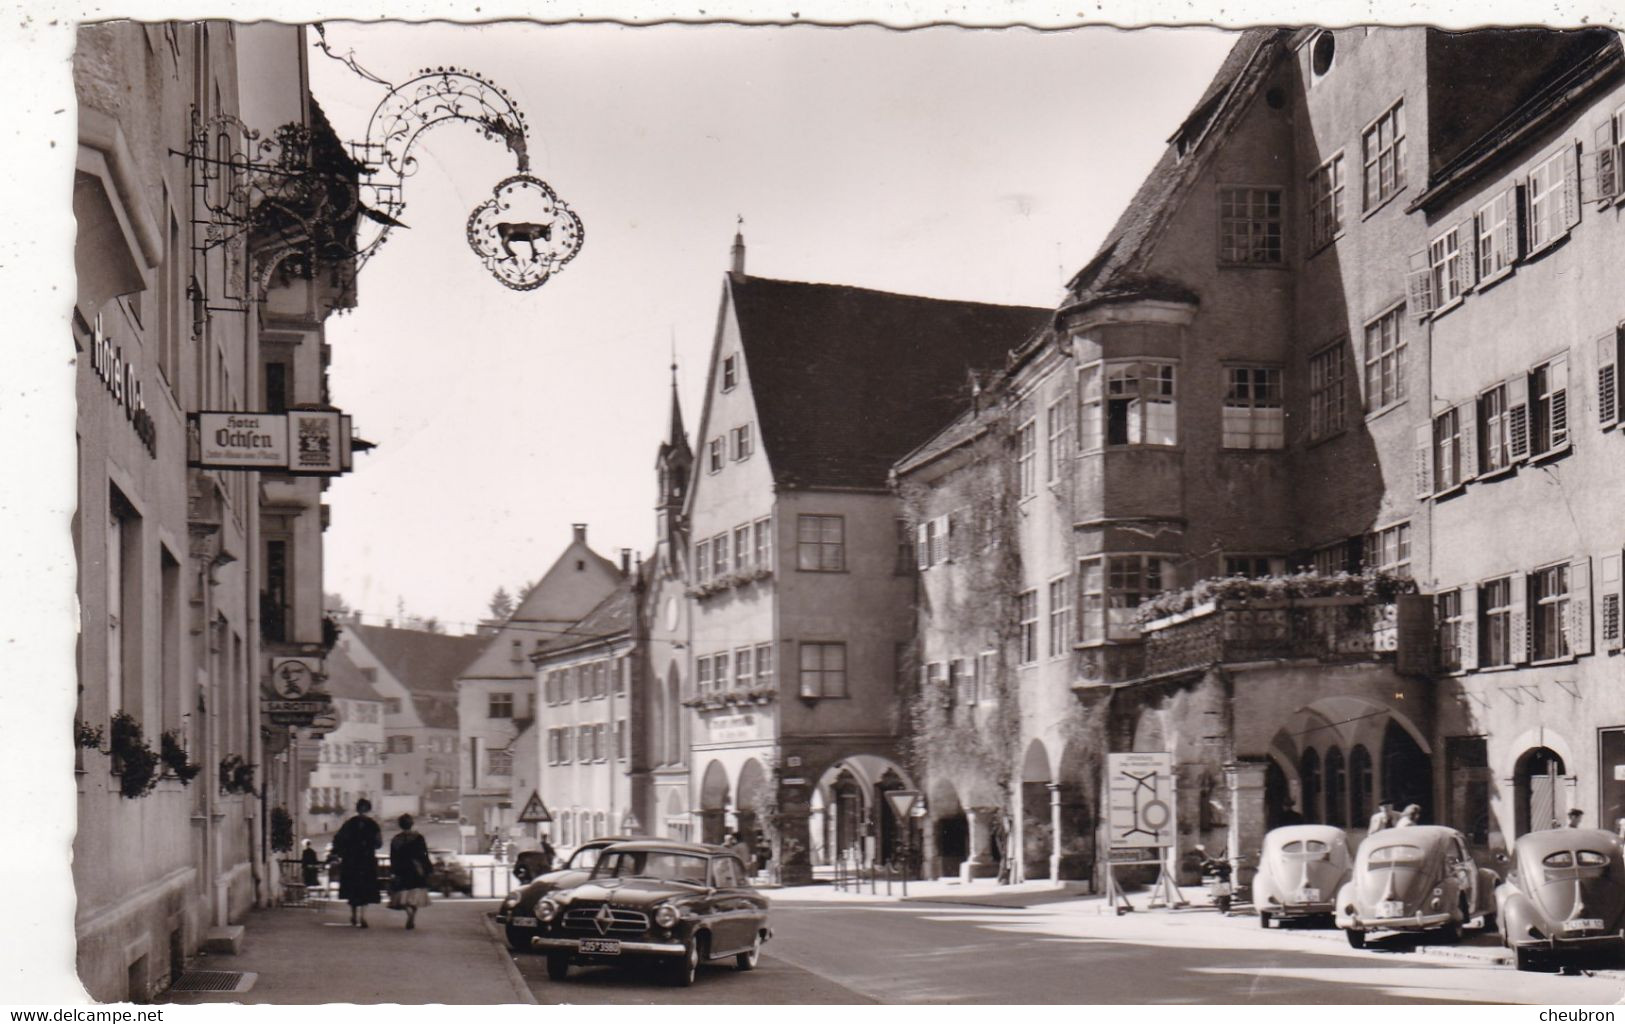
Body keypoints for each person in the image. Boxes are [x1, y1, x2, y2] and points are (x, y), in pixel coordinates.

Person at [331, 797, 383, 927]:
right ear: (368, 809)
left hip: (351, 861)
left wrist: (340, 852)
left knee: (353, 889)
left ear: (357, 808)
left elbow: (338, 839)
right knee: (365, 889)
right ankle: (363, 916)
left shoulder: (349, 823)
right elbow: (378, 843)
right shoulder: (373, 825)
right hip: (367, 861)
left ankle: (353, 915)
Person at [388, 814, 433, 930]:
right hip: (416, 869)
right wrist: (427, 867)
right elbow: (424, 854)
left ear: (400, 825)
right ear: (411, 824)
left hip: (402, 869)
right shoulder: (419, 837)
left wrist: (393, 870)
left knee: (403, 895)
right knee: (415, 895)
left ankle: (409, 913)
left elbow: (393, 857)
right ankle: (412, 915)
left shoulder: (396, 839)